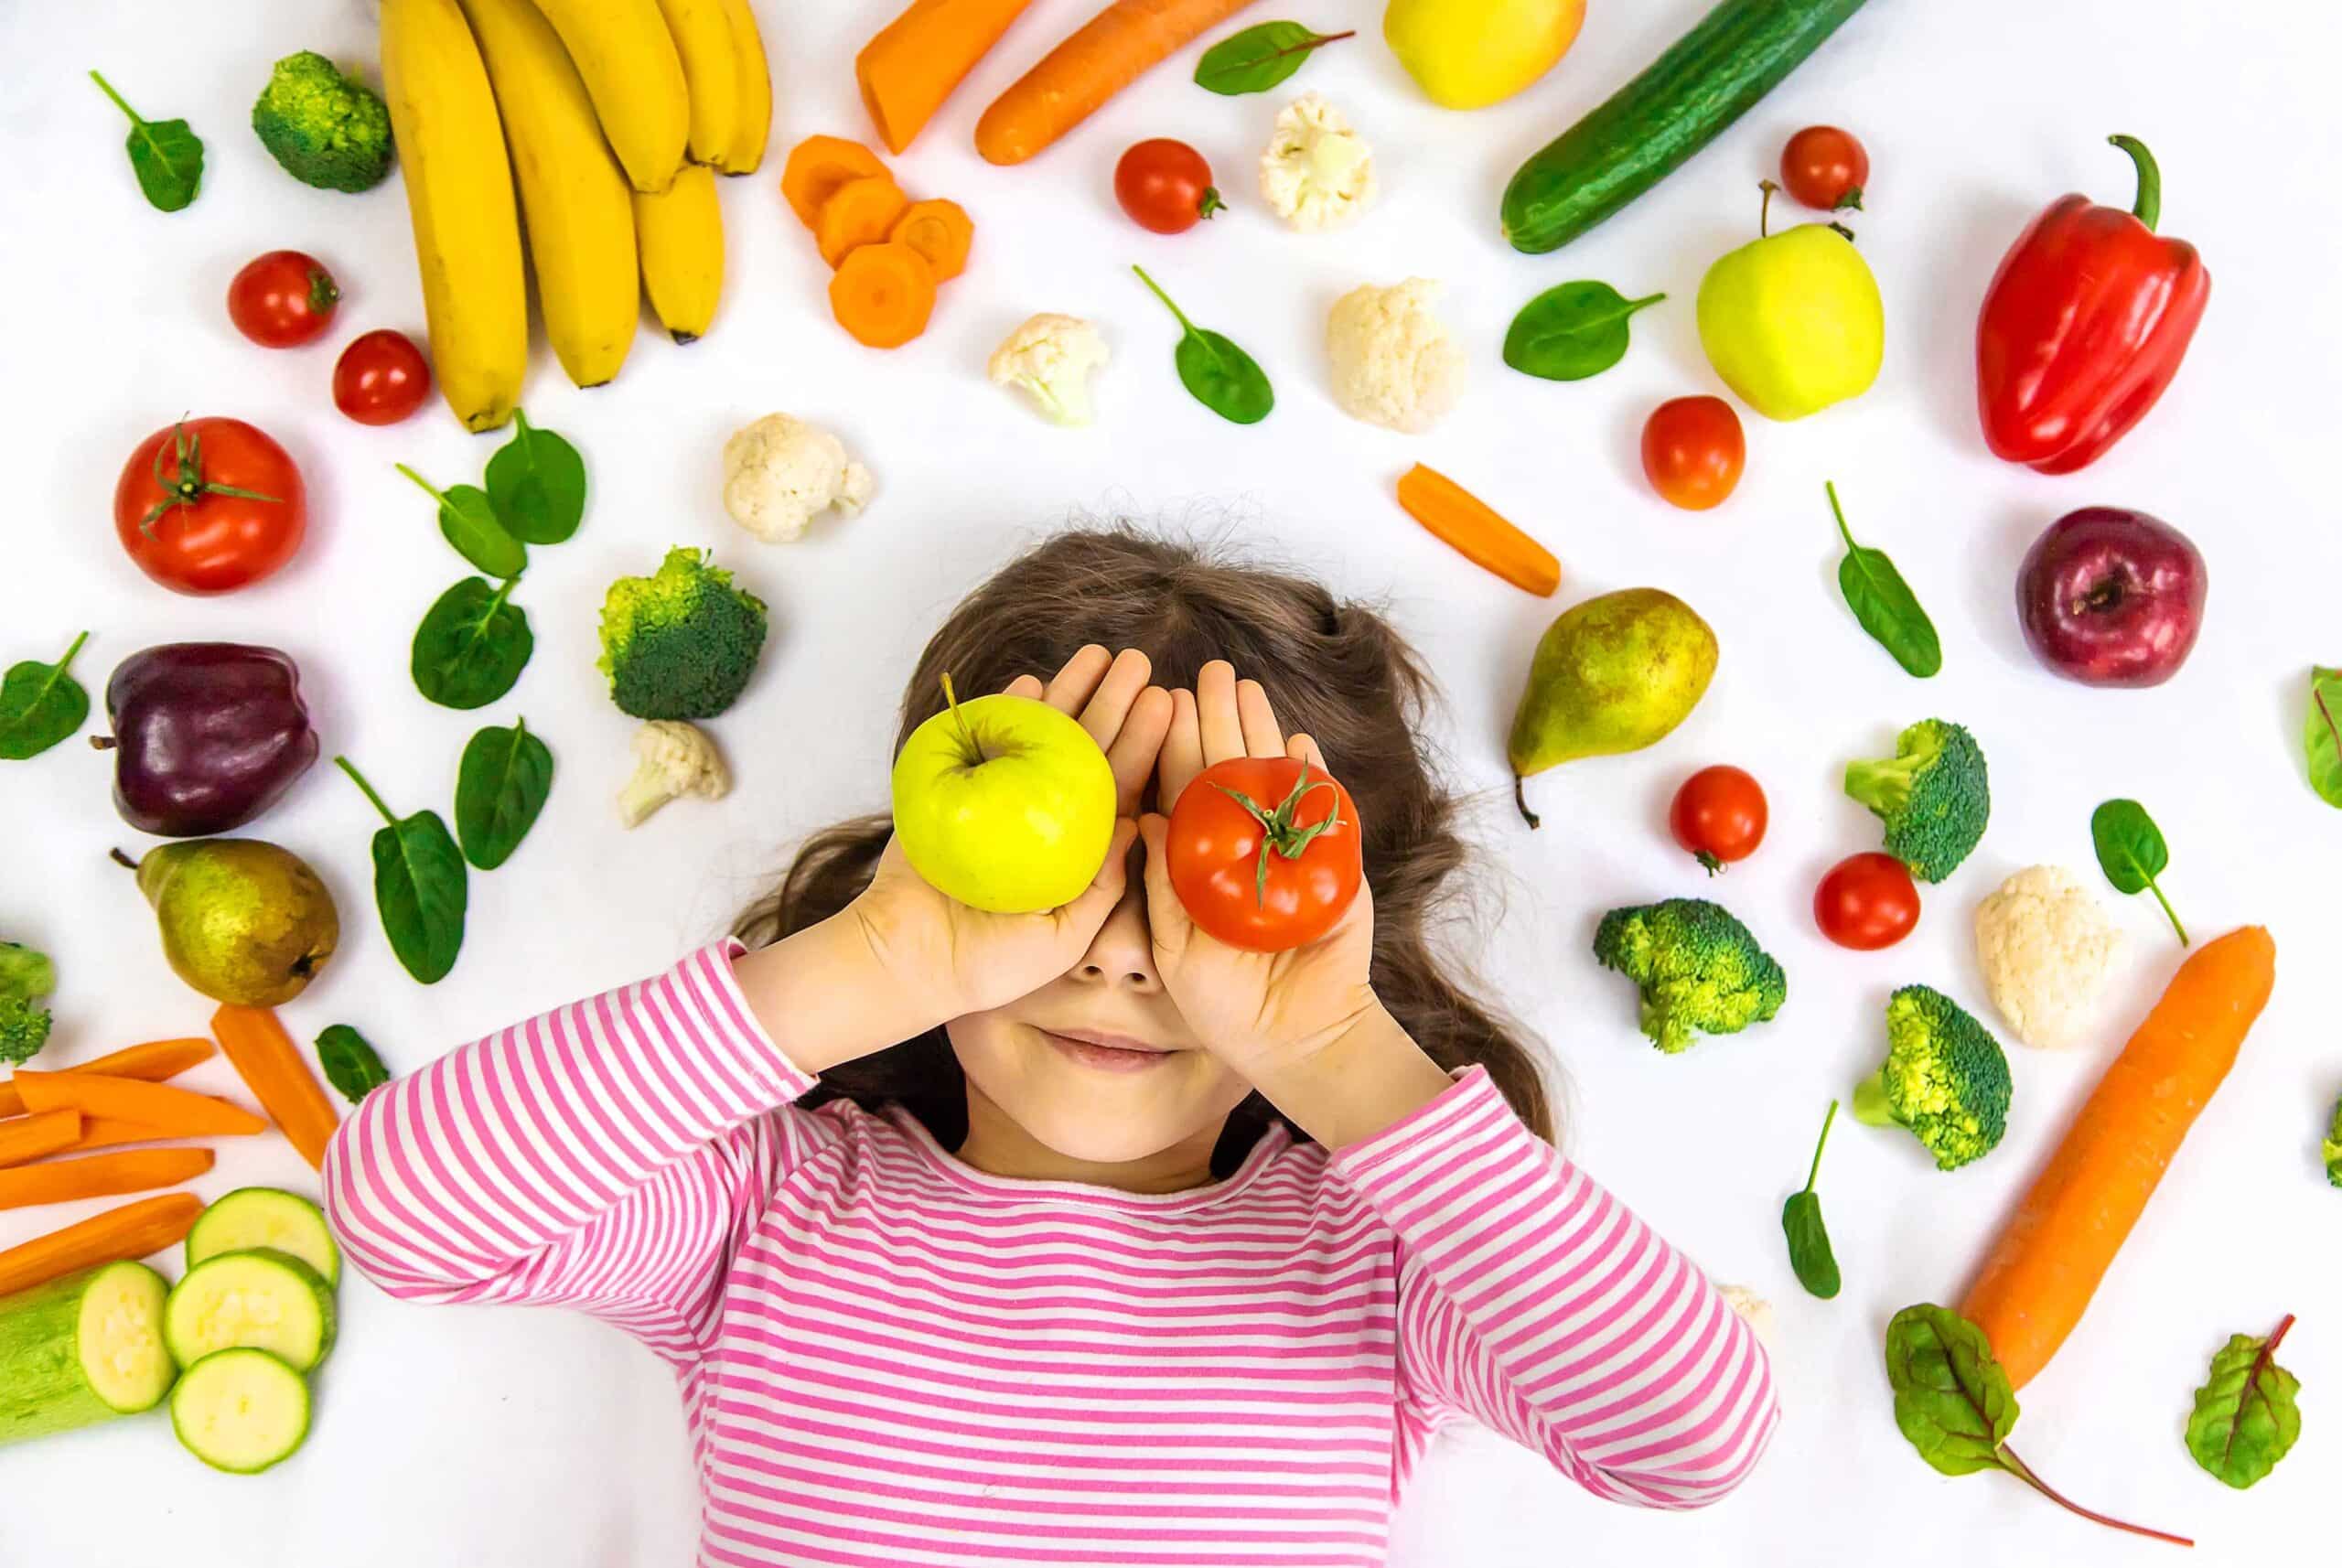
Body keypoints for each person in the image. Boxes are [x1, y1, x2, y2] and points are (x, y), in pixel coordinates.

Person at [324, 528, 1778, 1568]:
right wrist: (878, 964)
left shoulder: (1380, 1264)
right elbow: (400, 1207)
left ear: (1343, 930)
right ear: (924, 852)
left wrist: (1334, 1048)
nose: (1123, 949)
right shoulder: (763, 1213)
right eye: (1056, 871)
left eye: (1204, 890)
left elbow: (1694, 1433)